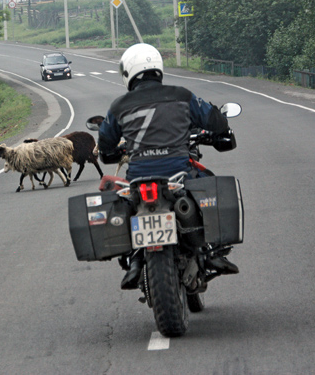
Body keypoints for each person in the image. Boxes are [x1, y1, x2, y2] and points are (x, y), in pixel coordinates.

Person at [96, 43, 238, 289]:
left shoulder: (119, 106)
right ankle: (214, 252)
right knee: (209, 183)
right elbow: (214, 120)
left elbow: (105, 144)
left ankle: (133, 261)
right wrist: (220, 129)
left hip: (139, 179)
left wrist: (113, 150)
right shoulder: (181, 95)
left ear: (128, 73)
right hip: (178, 173)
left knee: (124, 205)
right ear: (158, 68)